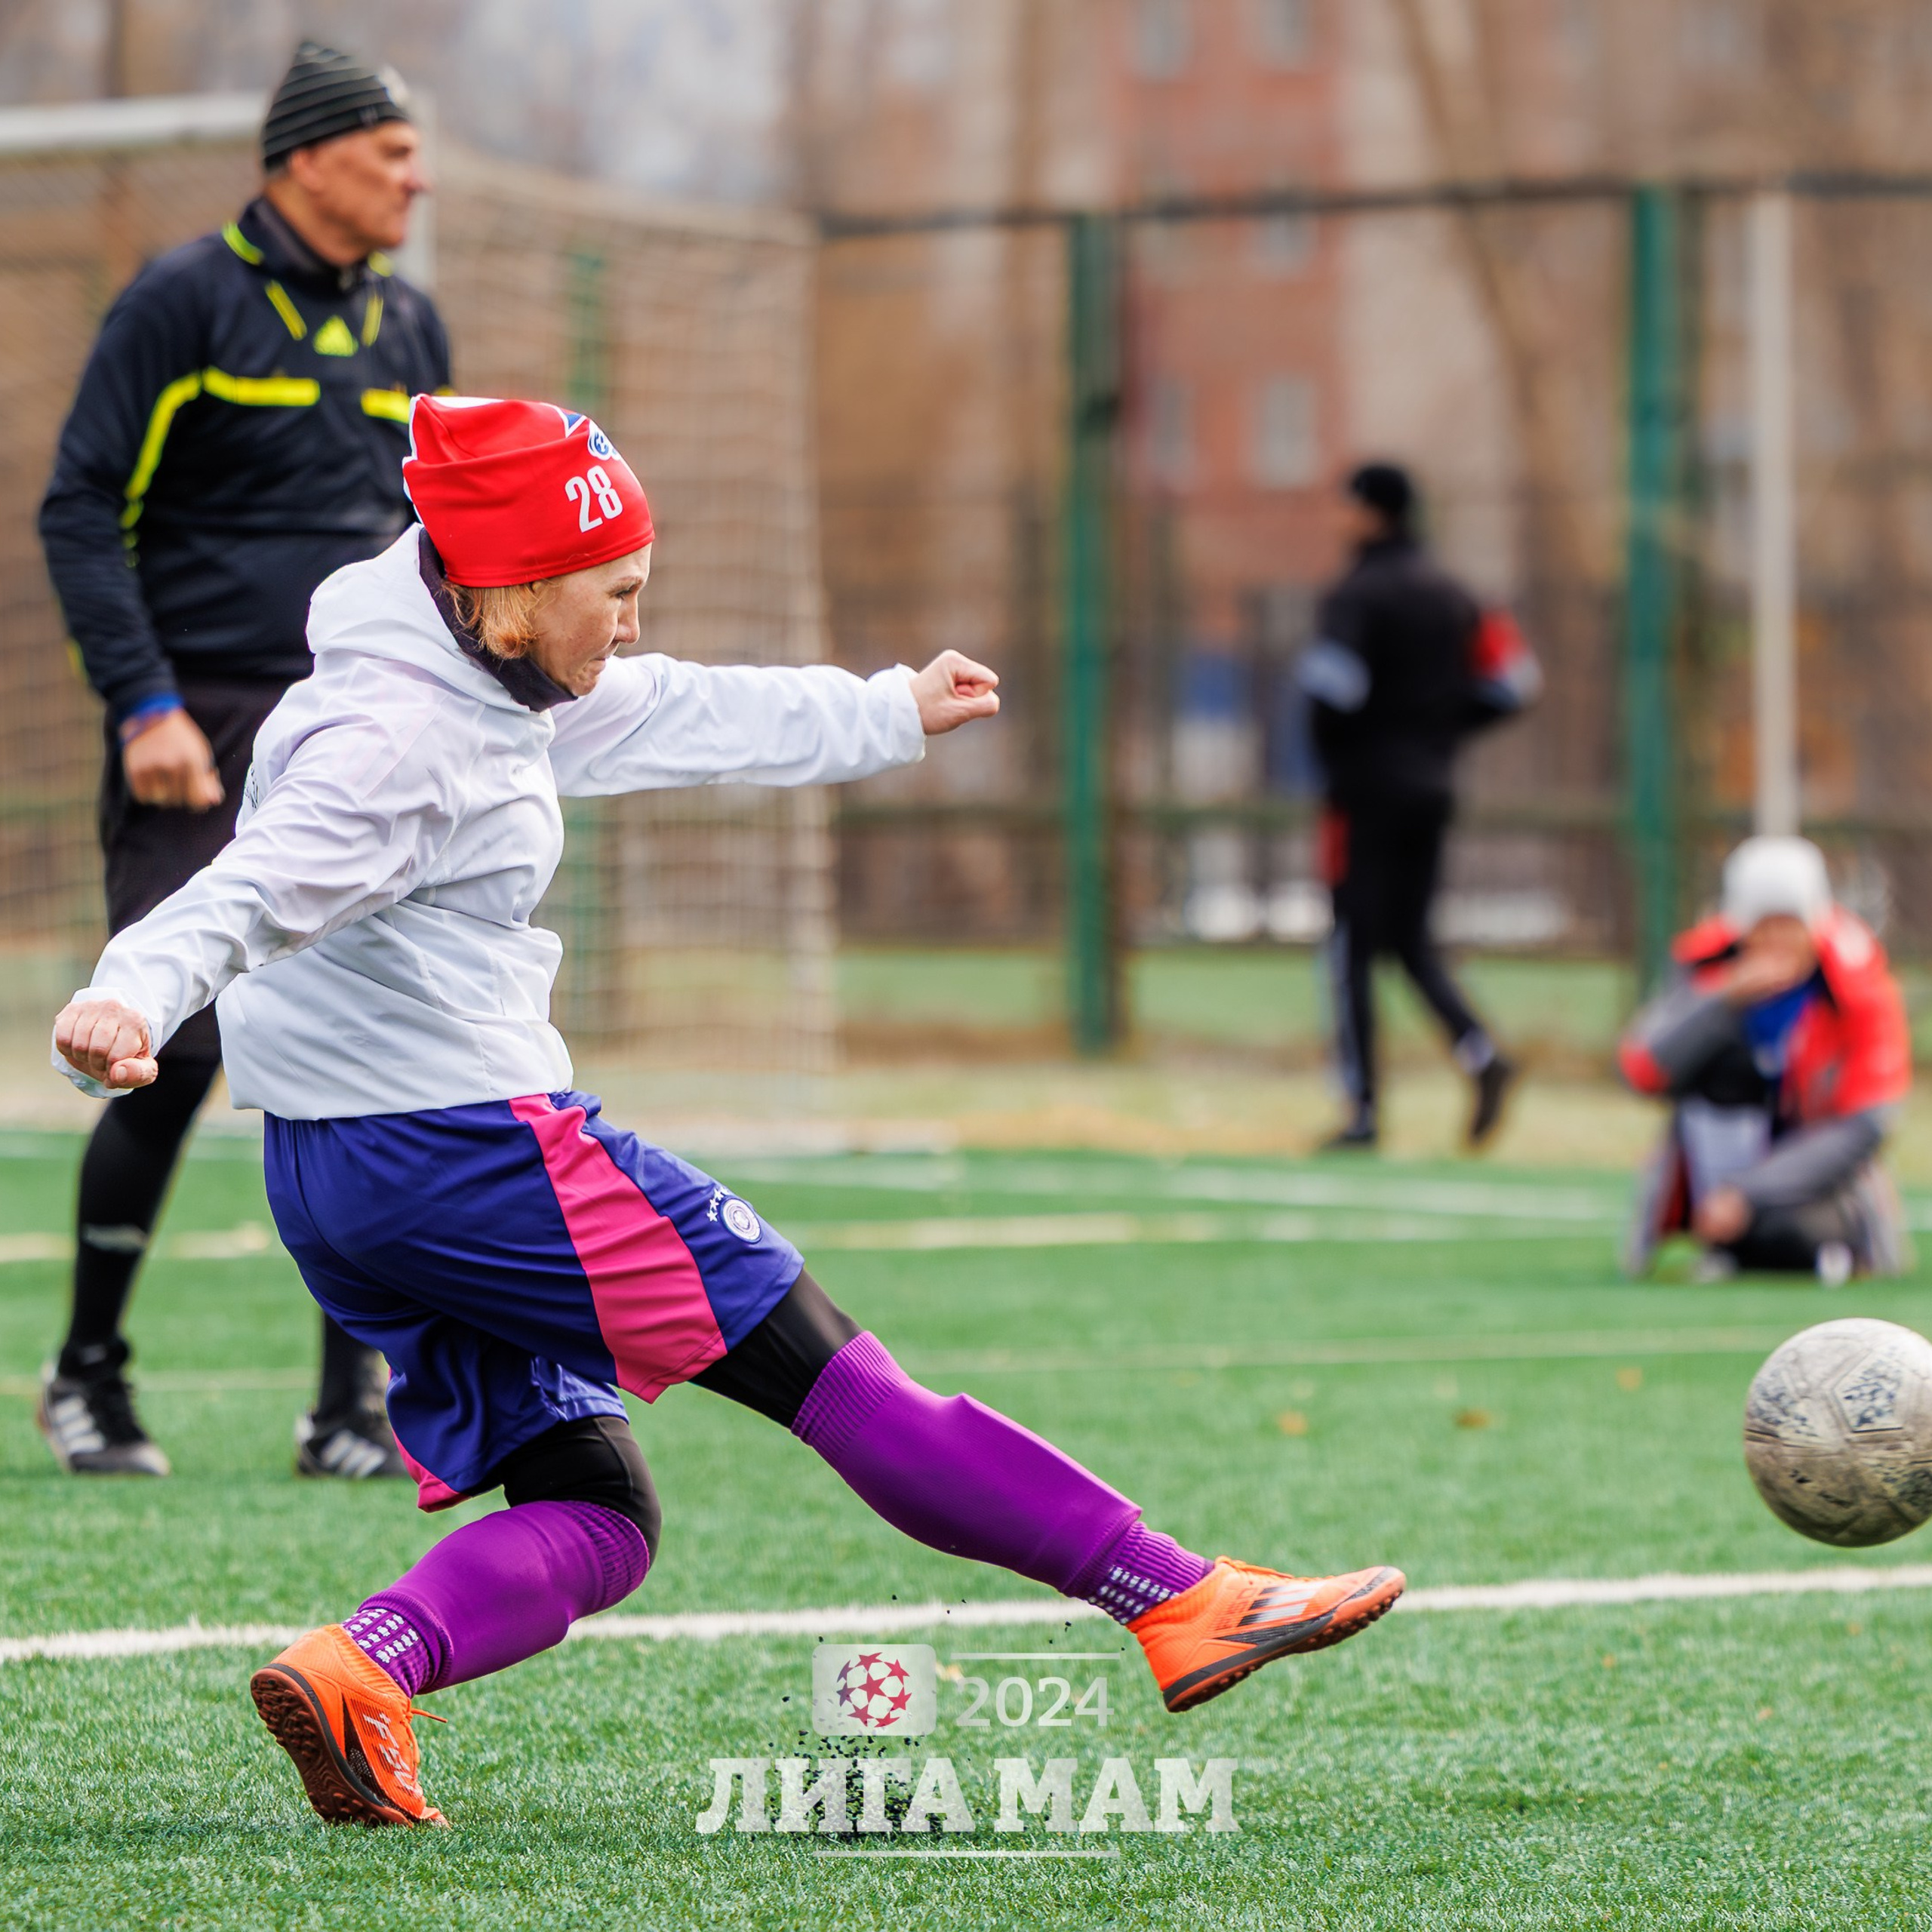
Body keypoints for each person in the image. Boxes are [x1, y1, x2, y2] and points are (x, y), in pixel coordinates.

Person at [52, 396, 1407, 1826]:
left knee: (597, 1511)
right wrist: (130, 996)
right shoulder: (394, 741)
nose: (635, 620)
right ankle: (1178, 1597)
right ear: (514, 595)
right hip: (475, 1156)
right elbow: (251, 890)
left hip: (335, 1183)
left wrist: (888, 709)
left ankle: (360, 1669)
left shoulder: (471, 674)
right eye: (618, 592)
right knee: (843, 1383)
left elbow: (682, 708)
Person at [36, 44, 450, 1478]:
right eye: (393, 151)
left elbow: (441, 560)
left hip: (366, 735)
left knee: (368, 1049)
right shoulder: (181, 301)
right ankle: (87, 1374)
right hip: (195, 732)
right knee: (178, 1042)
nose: (417, 176)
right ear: (306, 159)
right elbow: (80, 506)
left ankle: (353, 1409)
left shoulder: (415, 333)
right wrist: (141, 701)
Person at [1300, 462, 1539, 1152]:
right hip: (1432, 787)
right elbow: (1516, 682)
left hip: (1364, 794)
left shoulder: (1355, 595)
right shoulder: (1458, 594)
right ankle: (1481, 1053)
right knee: (1408, 940)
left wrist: (1353, 754)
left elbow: (1329, 696)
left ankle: (1363, 1110)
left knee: (1350, 946)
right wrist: (1438, 731)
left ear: (1371, 512)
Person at [1620, 836, 1911, 1282]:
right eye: (1763, 924)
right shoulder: (1706, 965)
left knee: (1784, 1230)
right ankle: (1706, 1233)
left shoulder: (1855, 985)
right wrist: (1722, 999)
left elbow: (1867, 1123)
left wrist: (1748, 1192)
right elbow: (1642, 1069)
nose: (1776, 939)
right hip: (1714, 1176)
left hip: (1815, 1185)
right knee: (1726, 1068)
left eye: (1790, 924)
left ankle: (1826, 1250)